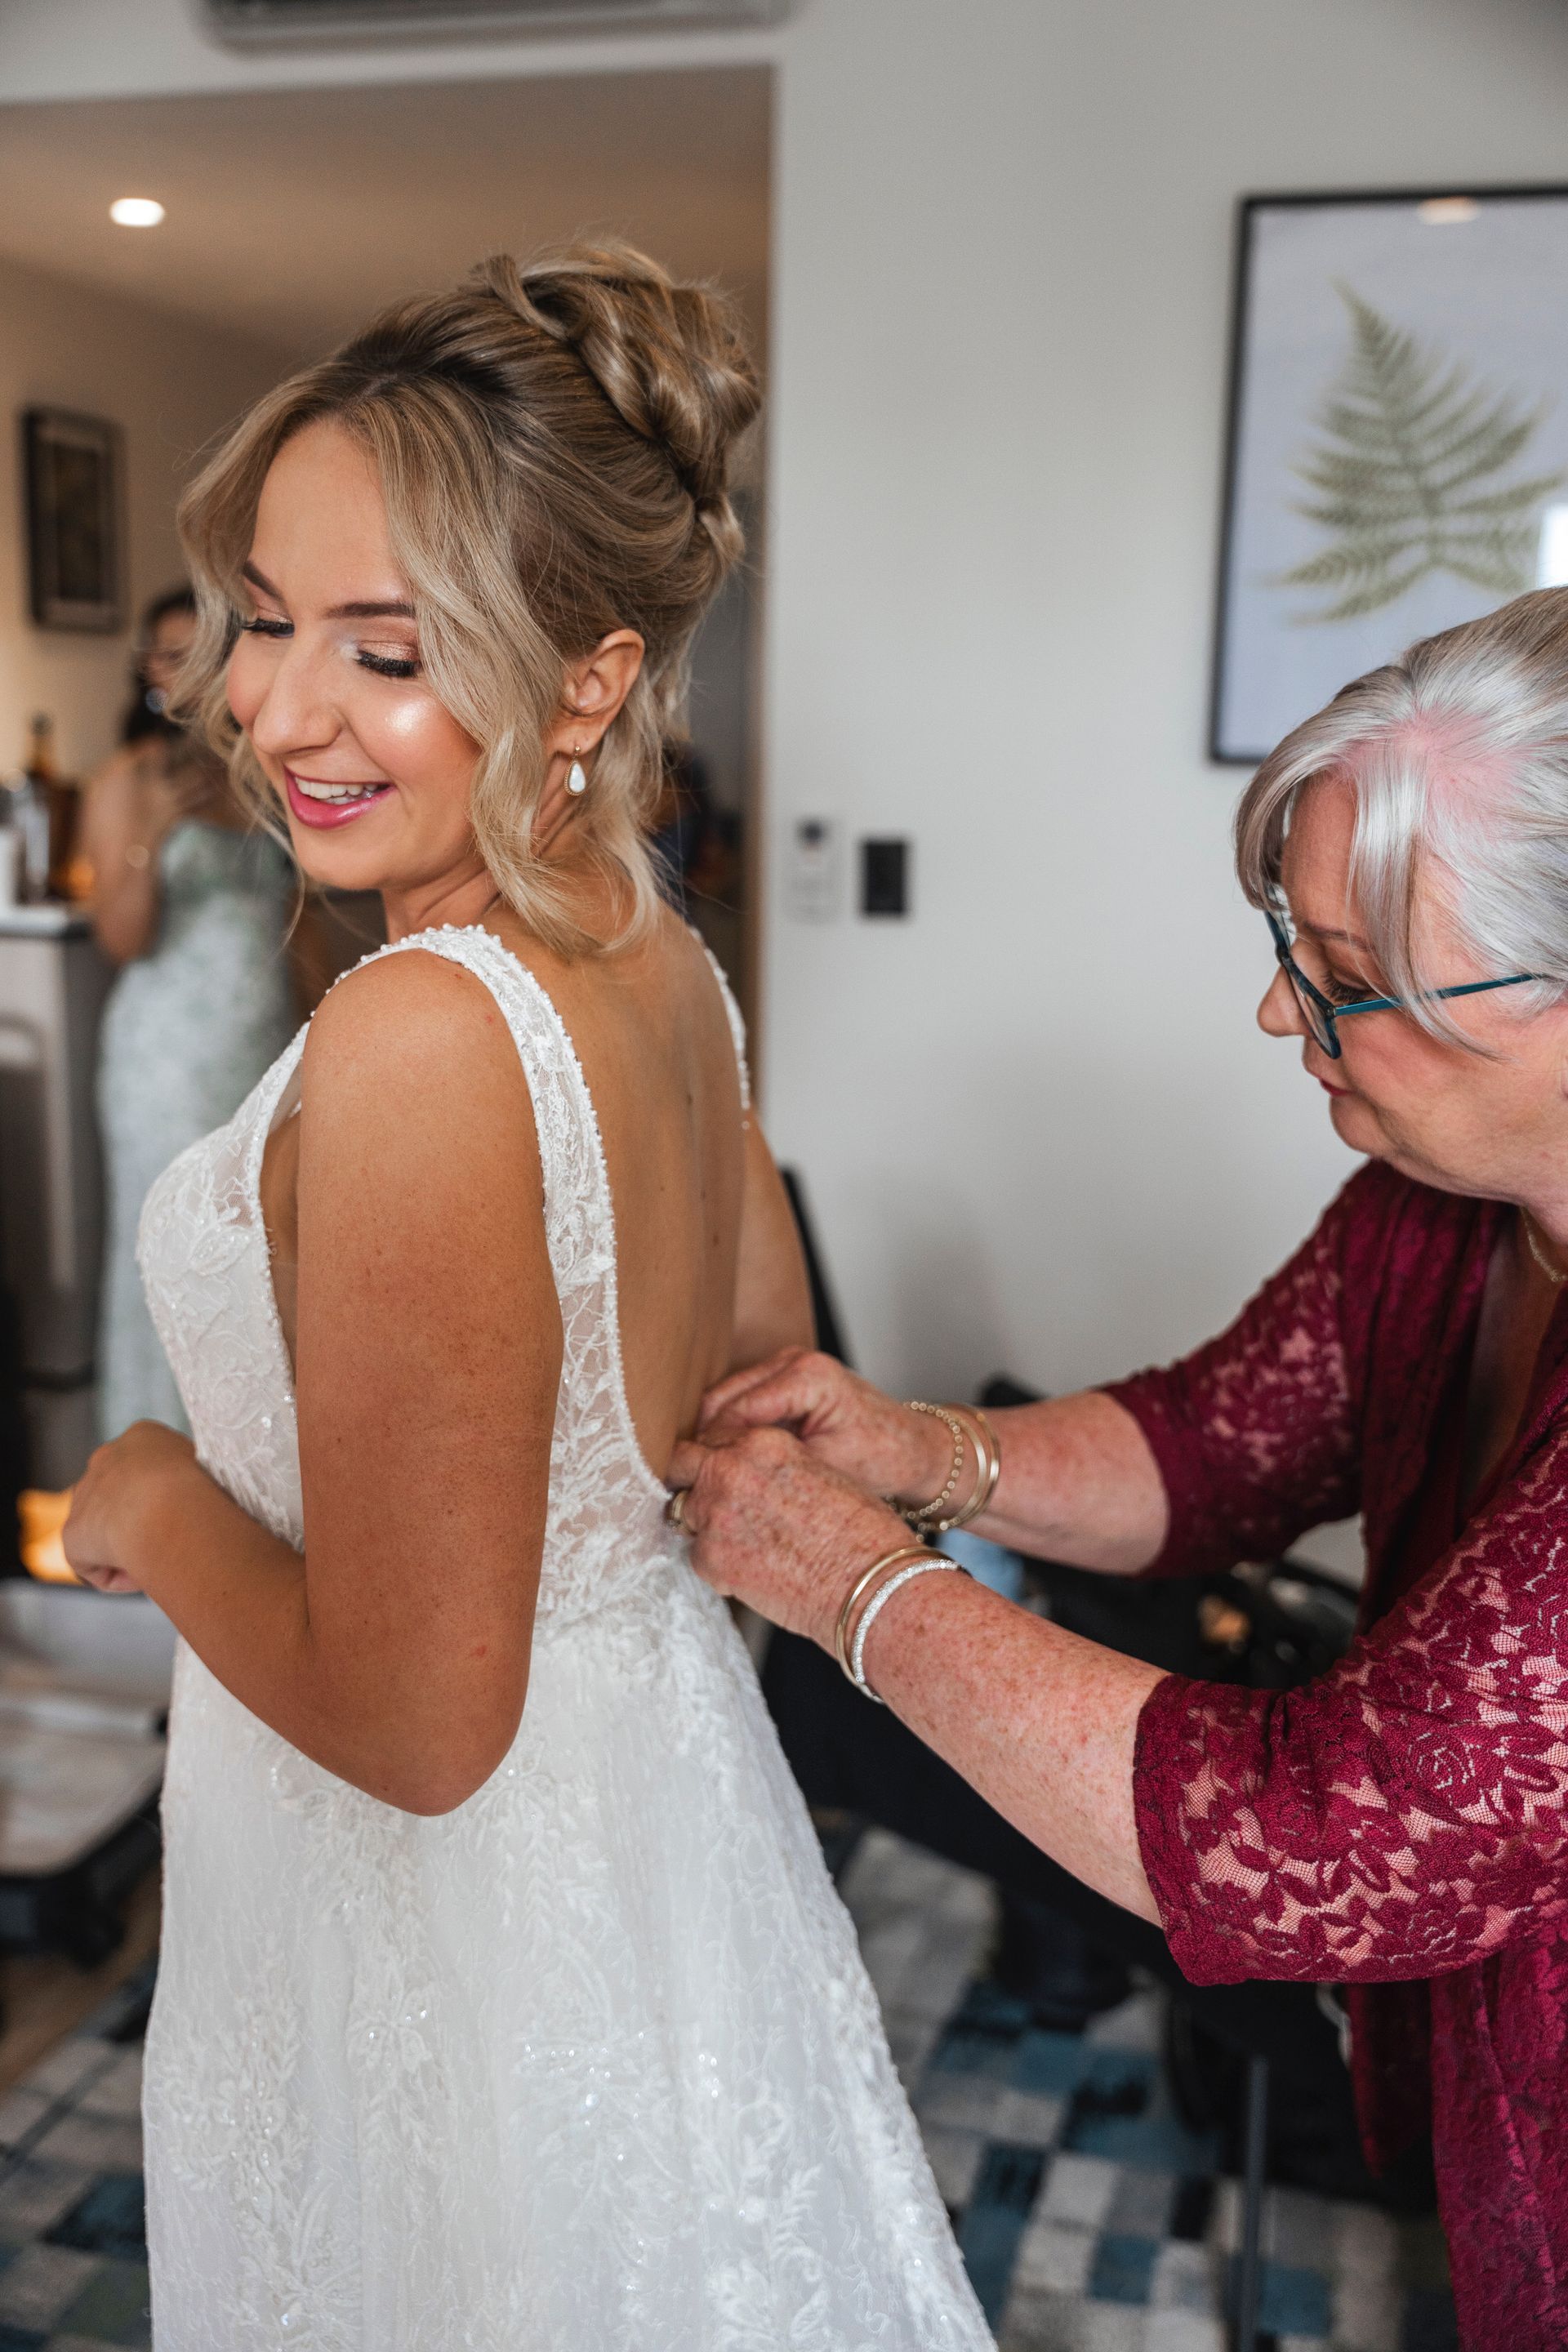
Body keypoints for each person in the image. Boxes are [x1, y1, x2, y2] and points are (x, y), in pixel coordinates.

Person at [61, 245, 991, 2352]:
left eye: (385, 649)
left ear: (583, 680)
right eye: (269, 620)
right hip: (643, 1824)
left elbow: (414, 1725)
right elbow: (749, 1383)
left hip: (441, 1902)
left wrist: (146, 1491)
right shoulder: (662, 960)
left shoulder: (421, 1030)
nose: (276, 707)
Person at [671, 587, 1568, 2351]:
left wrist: (856, 1586)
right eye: (1286, 941)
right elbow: (1217, 1443)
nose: (1273, 1008)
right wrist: (924, 1449)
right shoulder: (1440, 1217)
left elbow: (1313, 1834)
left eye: (1345, 978)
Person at [84, 586, 298, 1439]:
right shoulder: (127, 782)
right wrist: (155, 835)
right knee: (173, 1258)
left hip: (258, 1049)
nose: (176, 672)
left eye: (195, 652)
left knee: (258, 1259)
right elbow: (122, 939)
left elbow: (297, 921)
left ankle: (248, 1479)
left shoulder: (264, 770)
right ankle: (155, 1471)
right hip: (165, 1065)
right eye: (162, 655)